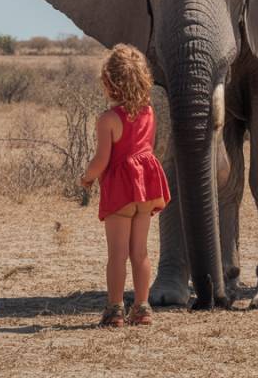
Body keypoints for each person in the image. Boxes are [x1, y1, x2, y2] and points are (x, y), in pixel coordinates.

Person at [81, 44, 171, 327]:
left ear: (109, 82)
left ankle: (115, 310)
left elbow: (102, 160)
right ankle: (142, 308)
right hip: (145, 185)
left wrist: (87, 177)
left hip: (121, 189)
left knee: (117, 255)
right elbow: (147, 148)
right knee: (140, 251)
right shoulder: (149, 113)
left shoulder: (108, 119)